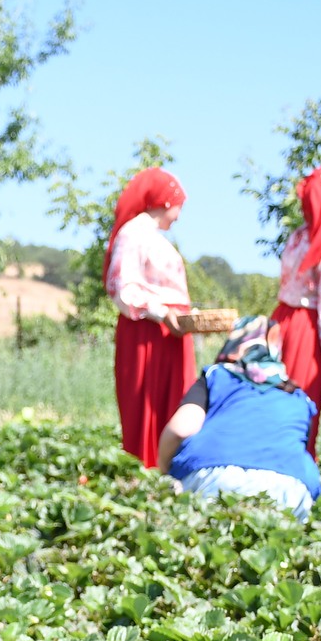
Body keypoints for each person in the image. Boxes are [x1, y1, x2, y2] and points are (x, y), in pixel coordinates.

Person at [157, 315, 321, 522]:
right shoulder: (298, 396)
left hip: (214, 479)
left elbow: (180, 429)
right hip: (290, 489)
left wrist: (165, 473)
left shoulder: (217, 376)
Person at [108, 168, 196, 467]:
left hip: (170, 334)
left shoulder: (153, 237)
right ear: (166, 200)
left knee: (174, 407)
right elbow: (125, 288)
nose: (180, 216)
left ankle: (170, 470)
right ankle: (146, 470)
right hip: (148, 332)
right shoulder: (133, 233)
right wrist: (161, 313)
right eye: (179, 205)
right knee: (148, 404)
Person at [269, 165, 321, 453]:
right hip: (309, 331)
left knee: (277, 399)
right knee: (301, 408)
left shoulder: (296, 237)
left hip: (281, 322)